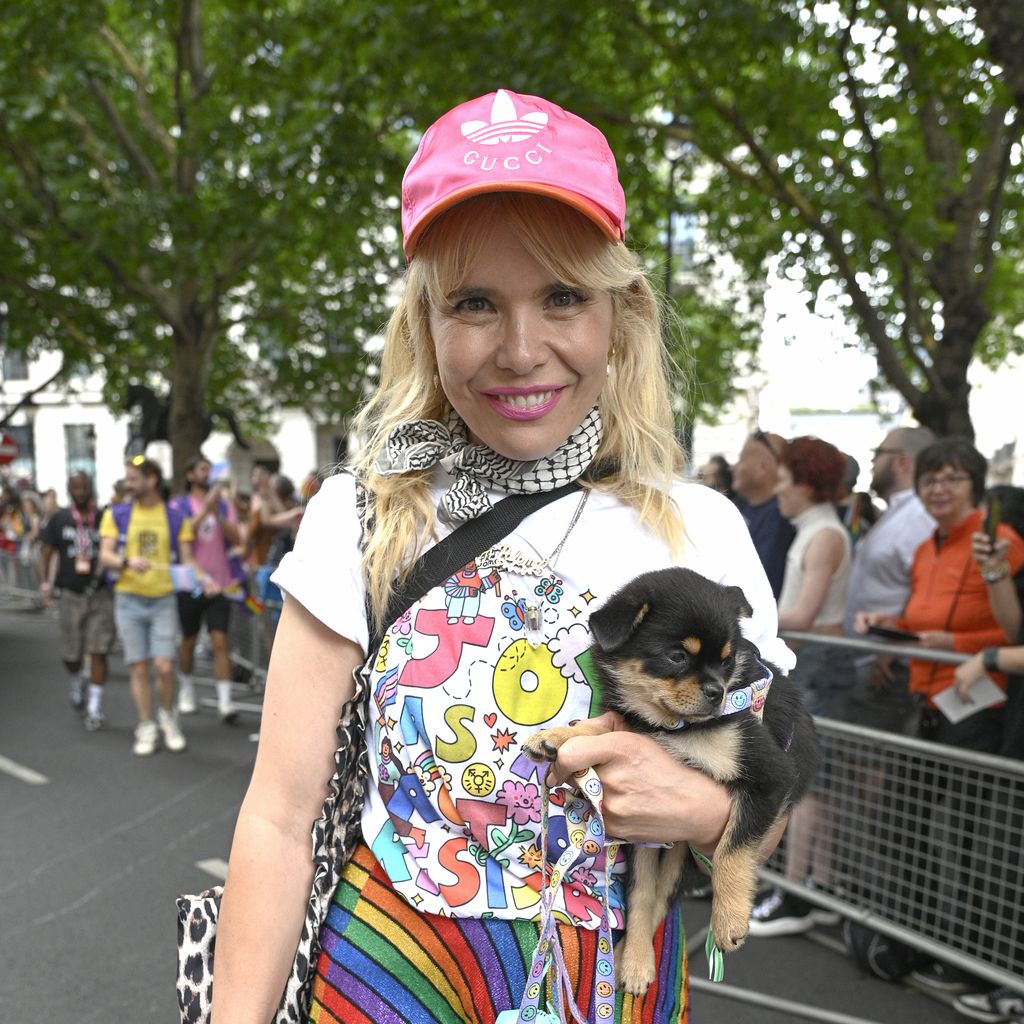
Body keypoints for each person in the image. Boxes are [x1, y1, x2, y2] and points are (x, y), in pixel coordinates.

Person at [210, 89, 795, 1023]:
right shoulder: (358, 517)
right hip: (395, 977)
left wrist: (711, 821)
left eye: (562, 297)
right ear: (426, 324)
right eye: (475, 302)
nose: (521, 350)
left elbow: (769, 775)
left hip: (611, 989)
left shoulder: (703, 530)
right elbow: (278, 821)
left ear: (619, 313)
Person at [856, 439, 1024, 996]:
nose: (938, 488)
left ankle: (974, 956)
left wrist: (952, 641)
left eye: (952, 478)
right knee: (906, 820)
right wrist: (893, 623)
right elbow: (926, 614)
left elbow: (1012, 632)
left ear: (974, 485)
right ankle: (922, 936)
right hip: (927, 698)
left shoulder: (1000, 543)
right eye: (930, 478)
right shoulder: (929, 544)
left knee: (979, 837)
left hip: (982, 703)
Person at [748, 435, 852, 937]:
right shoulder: (819, 531)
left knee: (805, 782)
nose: (780, 488)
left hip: (820, 667)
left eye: (787, 478)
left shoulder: (825, 534)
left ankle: (795, 893)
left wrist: (747, 614)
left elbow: (805, 614)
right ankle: (817, 890)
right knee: (816, 785)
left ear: (808, 483)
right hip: (816, 665)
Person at [97, 456, 200, 756]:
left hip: (163, 600)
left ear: (152, 479)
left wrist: (205, 578)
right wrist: (127, 561)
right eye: (127, 478)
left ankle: (167, 716)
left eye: (133, 478)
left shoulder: (175, 517)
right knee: (138, 667)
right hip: (128, 599)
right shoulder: (116, 514)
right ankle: (145, 724)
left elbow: (187, 557)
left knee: (164, 667)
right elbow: (104, 555)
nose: (128, 484)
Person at [838, 426, 937, 731]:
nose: (872, 462)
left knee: (872, 762)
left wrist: (892, 650)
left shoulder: (918, 516)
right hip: (874, 661)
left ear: (903, 462)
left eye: (879, 453)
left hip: (889, 668)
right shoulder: (902, 512)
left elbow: (926, 588)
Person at [38, 472, 116, 730]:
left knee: (99, 650)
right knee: (72, 653)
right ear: (69, 490)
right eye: (75, 487)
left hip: (100, 593)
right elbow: (46, 553)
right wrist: (45, 584)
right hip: (70, 594)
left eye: (84, 486)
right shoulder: (59, 519)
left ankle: (95, 707)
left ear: (90, 487)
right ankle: (75, 678)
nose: (80, 491)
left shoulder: (105, 518)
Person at [170, 454, 245, 722]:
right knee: (188, 641)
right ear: (190, 474)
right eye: (202, 470)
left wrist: (217, 513)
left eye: (209, 470)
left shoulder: (223, 505)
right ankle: (186, 688)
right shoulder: (179, 505)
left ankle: (225, 702)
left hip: (221, 584)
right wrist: (204, 511)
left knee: (219, 640)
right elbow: (182, 535)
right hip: (191, 584)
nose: (207, 475)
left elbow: (239, 538)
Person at [731, 429, 795, 598]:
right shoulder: (739, 506)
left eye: (741, 459)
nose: (734, 466)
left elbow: (758, 590)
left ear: (763, 468)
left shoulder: (777, 520)